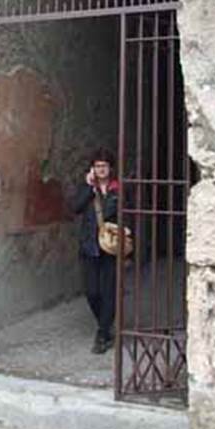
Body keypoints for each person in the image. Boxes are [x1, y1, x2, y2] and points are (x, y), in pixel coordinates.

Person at [72, 148, 119, 354]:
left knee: (108, 291)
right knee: (92, 291)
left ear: (110, 168)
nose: (101, 169)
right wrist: (88, 187)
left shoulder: (118, 189)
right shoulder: (87, 188)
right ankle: (105, 325)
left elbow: (130, 213)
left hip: (110, 248)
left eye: (104, 166)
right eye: (98, 166)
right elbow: (75, 207)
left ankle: (102, 333)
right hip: (89, 246)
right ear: (93, 168)